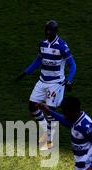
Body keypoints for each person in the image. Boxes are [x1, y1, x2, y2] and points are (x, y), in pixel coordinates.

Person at [16, 20, 77, 151]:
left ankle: (50, 141)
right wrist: (26, 72)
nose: (49, 33)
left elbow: (73, 65)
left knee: (49, 111)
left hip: (55, 83)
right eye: (47, 30)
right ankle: (45, 129)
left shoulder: (62, 46)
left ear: (56, 31)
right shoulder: (42, 44)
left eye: (51, 31)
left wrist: (70, 80)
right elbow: (39, 60)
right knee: (32, 106)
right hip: (42, 80)